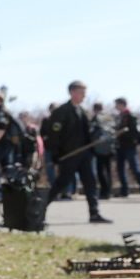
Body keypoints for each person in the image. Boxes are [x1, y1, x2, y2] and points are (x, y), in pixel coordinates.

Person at [45, 81, 111, 223]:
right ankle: (39, 209)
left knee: (90, 183)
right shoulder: (61, 112)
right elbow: (53, 135)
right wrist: (55, 154)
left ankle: (94, 213)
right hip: (69, 154)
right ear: (72, 92)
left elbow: (89, 132)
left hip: (85, 154)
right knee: (61, 183)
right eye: (81, 92)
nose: (84, 96)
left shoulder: (84, 112)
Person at [113, 97, 140, 198]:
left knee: (135, 168)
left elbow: (135, 132)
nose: (115, 106)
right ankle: (124, 191)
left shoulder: (131, 116)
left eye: (117, 104)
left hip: (129, 147)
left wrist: (123, 133)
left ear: (122, 104)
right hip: (120, 147)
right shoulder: (119, 117)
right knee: (120, 169)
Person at [90, 102, 115, 199]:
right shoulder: (109, 117)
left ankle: (105, 192)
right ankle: (108, 191)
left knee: (100, 171)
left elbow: (92, 132)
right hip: (109, 148)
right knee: (107, 171)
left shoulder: (96, 118)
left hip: (99, 148)